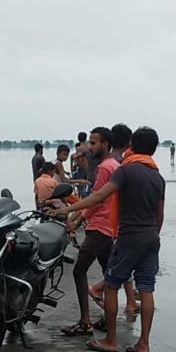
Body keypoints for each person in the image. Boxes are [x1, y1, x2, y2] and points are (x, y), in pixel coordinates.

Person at [55, 126, 165, 352]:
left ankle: (111, 340)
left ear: (132, 145)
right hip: (151, 238)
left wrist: (67, 210)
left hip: (129, 236)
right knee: (146, 289)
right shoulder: (158, 176)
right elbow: (159, 215)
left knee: (112, 285)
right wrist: (153, 235)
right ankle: (143, 344)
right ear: (154, 150)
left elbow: (98, 196)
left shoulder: (126, 171)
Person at [60, 126, 116, 337]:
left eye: (94, 143)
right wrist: (77, 219)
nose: (89, 147)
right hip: (109, 226)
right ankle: (108, 320)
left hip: (99, 226)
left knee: (79, 271)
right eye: (89, 142)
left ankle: (85, 322)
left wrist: (73, 217)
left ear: (105, 144)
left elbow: (96, 200)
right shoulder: (114, 165)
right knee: (110, 274)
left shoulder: (105, 168)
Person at [88, 124, 139, 319]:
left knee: (117, 262)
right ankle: (100, 292)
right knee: (120, 264)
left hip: (110, 222)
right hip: (114, 222)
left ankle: (129, 302)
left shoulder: (110, 162)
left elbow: (96, 195)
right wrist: (79, 217)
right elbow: (99, 197)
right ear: (128, 142)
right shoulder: (119, 164)